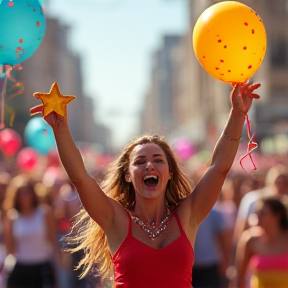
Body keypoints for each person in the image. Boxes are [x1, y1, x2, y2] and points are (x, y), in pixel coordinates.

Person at [34, 81, 260, 287]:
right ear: (128, 175)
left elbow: (218, 168)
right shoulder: (115, 220)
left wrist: (237, 114)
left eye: (158, 160)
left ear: (170, 173)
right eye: (140, 162)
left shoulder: (187, 215)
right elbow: (80, 178)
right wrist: (61, 129)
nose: (149, 166)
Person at [2, 174, 59, 288]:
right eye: (21, 193)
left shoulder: (45, 213)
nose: (24, 196)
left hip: (42, 266)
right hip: (20, 268)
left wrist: (57, 267)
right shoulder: (12, 217)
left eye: (27, 192)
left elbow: (53, 241)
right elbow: (9, 248)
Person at [235, 196, 288, 288]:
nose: (257, 217)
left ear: (278, 215)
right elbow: (240, 277)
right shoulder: (250, 239)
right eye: (257, 213)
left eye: (262, 213)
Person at [192, 206, 230, 288]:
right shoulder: (185, 212)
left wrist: (225, 261)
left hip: (211, 264)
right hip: (191, 266)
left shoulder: (215, 213)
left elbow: (223, 238)